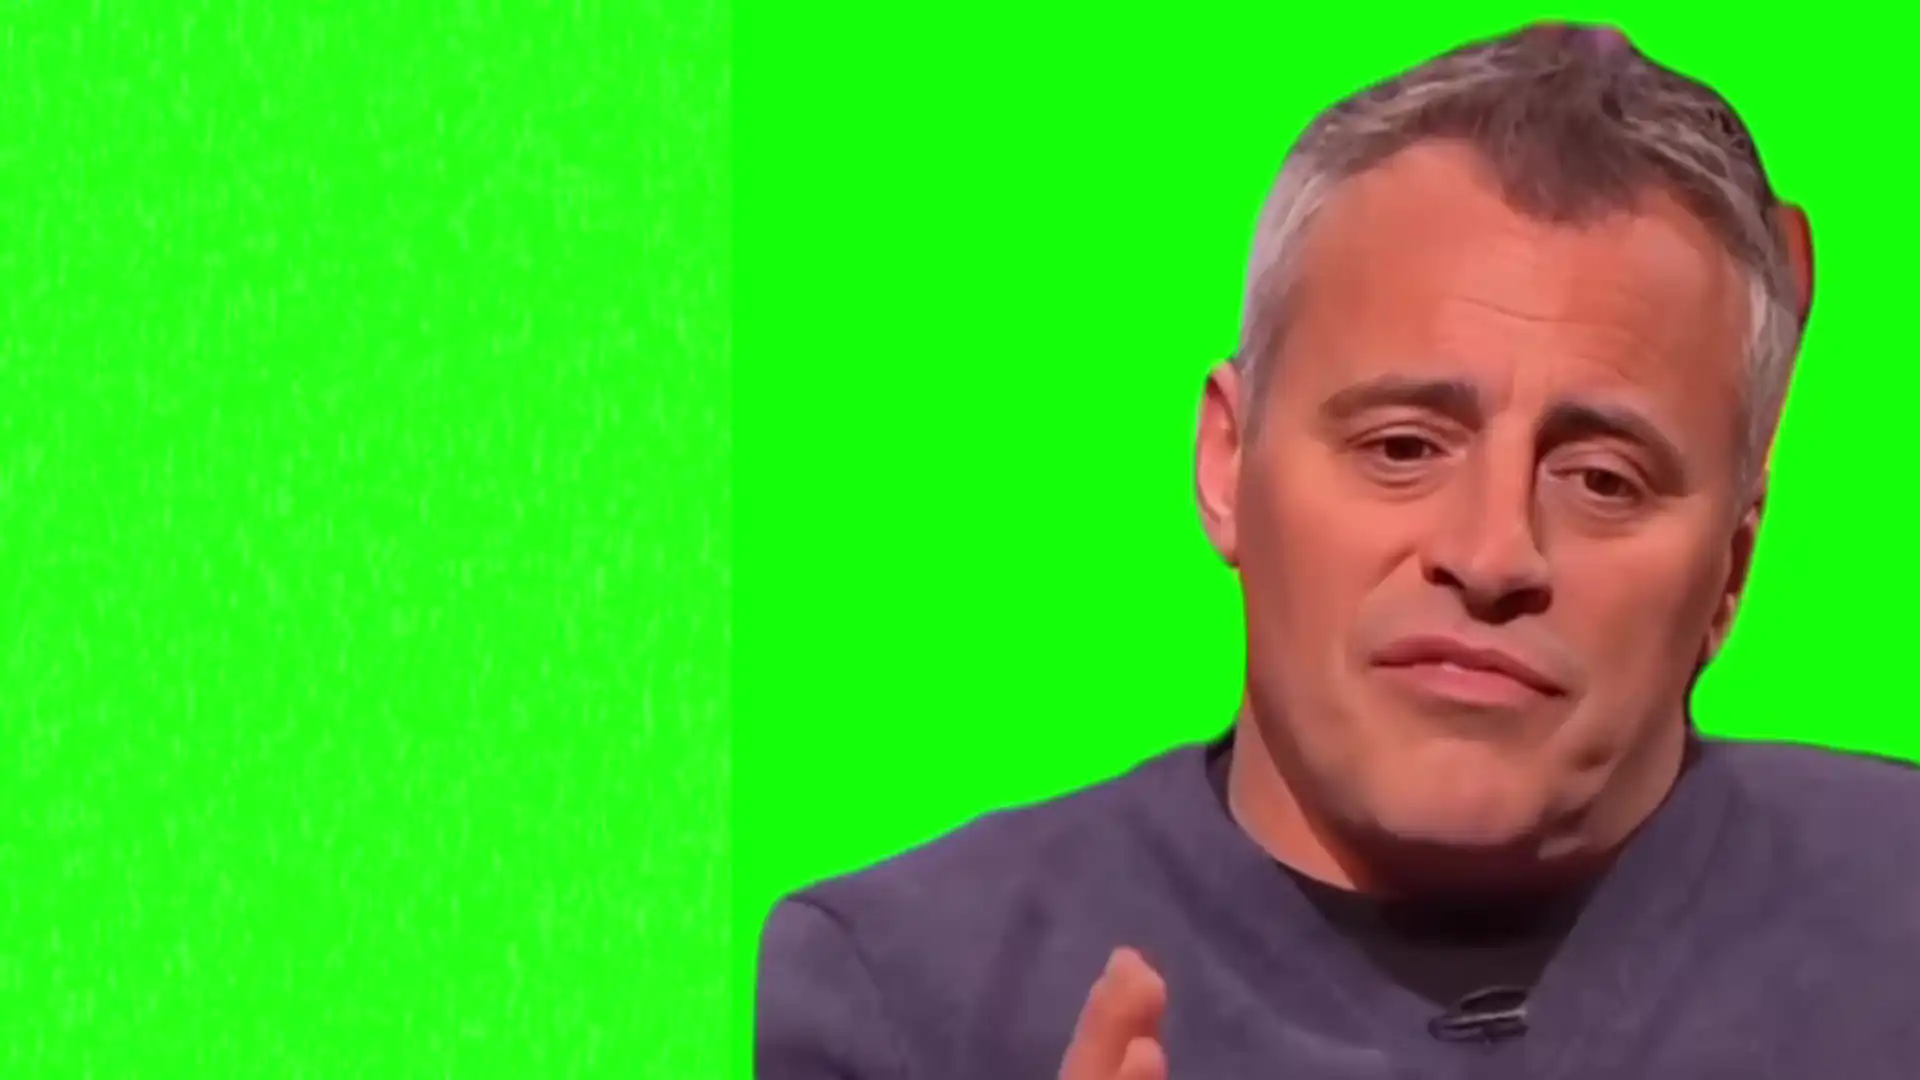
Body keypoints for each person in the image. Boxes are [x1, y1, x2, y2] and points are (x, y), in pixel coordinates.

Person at [755, 22, 1915, 1080]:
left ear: (1731, 570)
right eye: (1403, 447)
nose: (1491, 554)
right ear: (1228, 464)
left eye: (1603, 479)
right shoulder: (897, 1007)